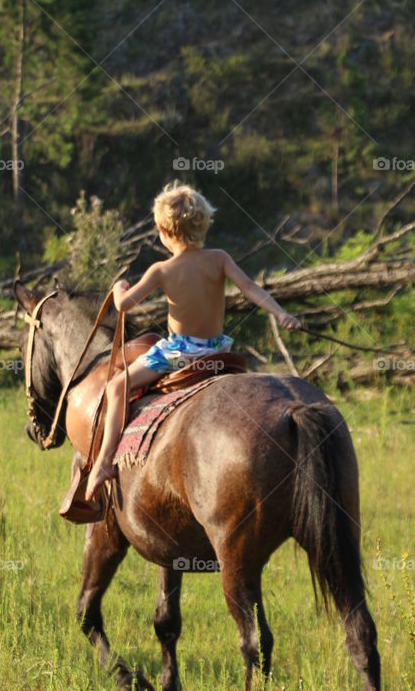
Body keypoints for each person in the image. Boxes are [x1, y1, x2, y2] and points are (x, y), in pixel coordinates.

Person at [85, 183, 302, 499]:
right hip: (217, 350)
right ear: (203, 224)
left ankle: (104, 462)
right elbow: (251, 289)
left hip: (180, 353)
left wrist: (119, 286)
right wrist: (281, 314)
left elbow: (123, 305)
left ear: (162, 230)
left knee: (116, 387)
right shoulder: (220, 258)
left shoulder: (162, 269)